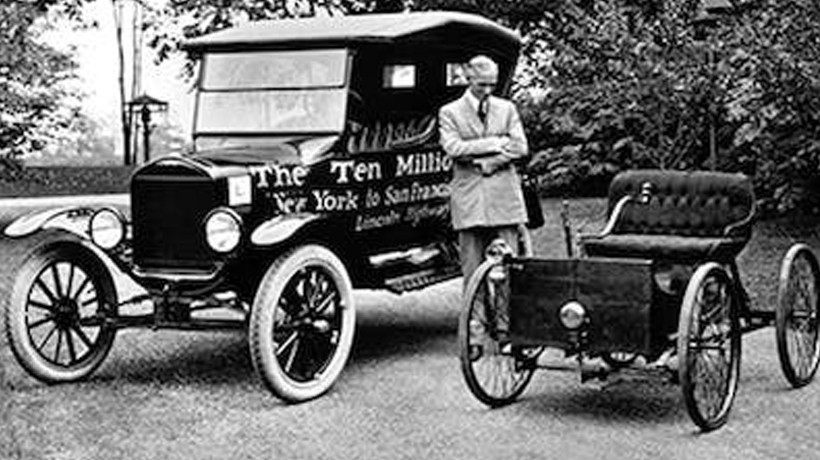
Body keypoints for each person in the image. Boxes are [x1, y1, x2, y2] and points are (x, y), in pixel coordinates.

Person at [438, 55, 529, 290]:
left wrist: (490, 163)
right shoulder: (450, 112)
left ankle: (505, 324)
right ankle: (475, 325)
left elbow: (520, 147)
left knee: (508, 269)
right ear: (469, 79)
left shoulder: (507, 109)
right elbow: (453, 148)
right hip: (470, 201)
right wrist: (495, 143)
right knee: (472, 273)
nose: (488, 90)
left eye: (492, 84)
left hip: (504, 199)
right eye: (482, 84)